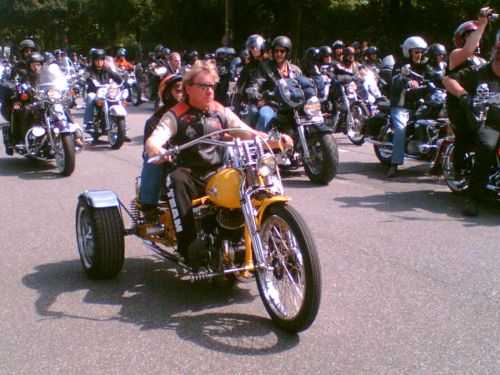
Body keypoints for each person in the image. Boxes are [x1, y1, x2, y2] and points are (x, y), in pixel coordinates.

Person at [145, 61, 293, 268]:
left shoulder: (219, 111)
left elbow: (245, 130)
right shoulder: (175, 115)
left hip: (216, 172)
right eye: (204, 86)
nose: (210, 91)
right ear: (189, 89)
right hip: (188, 173)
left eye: (212, 86)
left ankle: (266, 239)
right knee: (175, 180)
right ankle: (189, 247)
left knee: (245, 181)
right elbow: (155, 139)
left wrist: (274, 140)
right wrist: (156, 149)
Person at [443, 41, 500, 216]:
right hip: (487, 121)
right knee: (487, 147)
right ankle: (473, 198)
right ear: (493, 54)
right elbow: (448, 79)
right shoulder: (478, 72)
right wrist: (464, 96)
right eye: (499, 55)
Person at [445, 7, 491, 178]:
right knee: (468, 129)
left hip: (482, 102)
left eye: (476, 36)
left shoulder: (483, 60)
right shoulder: (457, 54)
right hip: (460, 103)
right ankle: (460, 169)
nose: (475, 40)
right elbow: (468, 51)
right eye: (469, 36)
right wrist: (482, 24)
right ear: (461, 38)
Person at [139, 74, 184, 216]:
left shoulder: (199, 114)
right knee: (153, 158)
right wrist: (158, 150)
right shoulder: (155, 120)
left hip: (196, 163)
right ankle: (148, 203)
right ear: (167, 94)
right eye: (179, 91)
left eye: (185, 91)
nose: (183, 95)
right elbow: (150, 147)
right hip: (170, 163)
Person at [387, 36, 430, 178]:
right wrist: (407, 81)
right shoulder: (401, 65)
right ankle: (394, 164)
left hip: (420, 106)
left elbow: (433, 75)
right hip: (402, 106)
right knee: (400, 129)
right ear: (409, 52)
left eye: (421, 52)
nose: (419, 55)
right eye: (416, 52)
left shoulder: (425, 65)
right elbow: (396, 79)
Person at [246, 35, 302, 132]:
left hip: (292, 107)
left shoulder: (296, 70)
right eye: (276, 51)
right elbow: (254, 84)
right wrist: (256, 97)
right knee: (265, 116)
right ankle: (259, 144)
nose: (279, 54)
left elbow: (303, 87)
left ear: (287, 53)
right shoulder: (265, 67)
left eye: (282, 51)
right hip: (272, 105)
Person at [83, 48, 123, 129]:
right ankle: (88, 122)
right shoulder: (89, 69)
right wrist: (89, 80)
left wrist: (123, 81)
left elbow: (116, 76)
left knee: (118, 98)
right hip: (94, 91)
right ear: (93, 61)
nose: (100, 62)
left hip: (106, 91)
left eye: (102, 59)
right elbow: (86, 77)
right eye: (97, 60)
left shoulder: (107, 69)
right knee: (90, 98)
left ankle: (122, 128)